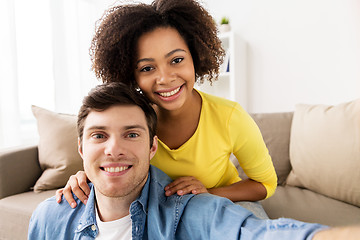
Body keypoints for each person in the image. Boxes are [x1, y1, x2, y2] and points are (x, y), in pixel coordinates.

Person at [28, 82, 360, 240]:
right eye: (99, 136)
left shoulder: (187, 211)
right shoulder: (50, 218)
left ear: (153, 147)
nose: (114, 148)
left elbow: (257, 233)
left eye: (131, 134)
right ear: (81, 149)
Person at [57, 0, 276, 217]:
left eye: (177, 59)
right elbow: (110, 159)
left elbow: (265, 183)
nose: (164, 78)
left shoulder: (230, 117)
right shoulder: (131, 122)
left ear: (196, 57)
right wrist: (85, 178)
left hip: (222, 206)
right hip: (163, 214)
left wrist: (208, 193)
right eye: (147, 68)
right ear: (132, 75)